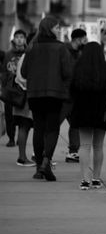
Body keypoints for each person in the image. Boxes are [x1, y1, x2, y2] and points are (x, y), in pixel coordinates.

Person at [21, 16, 72, 181]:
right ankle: (46, 162)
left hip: (35, 94)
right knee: (52, 129)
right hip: (54, 93)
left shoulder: (31, 48)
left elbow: (23, 72)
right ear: (49, 29)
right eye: (57, 27)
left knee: (38, 128)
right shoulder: (61, 48)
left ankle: (38, 168)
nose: (59, 30)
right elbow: (67, 72)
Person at [71, 42, 106, 190]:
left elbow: (72, 91)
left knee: (85, 146)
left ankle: (84, 180)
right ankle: (96, 178)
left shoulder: (78, 69)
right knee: (98, 146)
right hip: (101, 112)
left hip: (83, 112)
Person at [61, 28, 88, 163]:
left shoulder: (81, 53)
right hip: (64, 95)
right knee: (54, 124)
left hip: (75, 95)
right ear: (77, 39)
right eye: (84, 39)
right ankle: (40, 151)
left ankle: (73, 152)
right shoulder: (64, 51)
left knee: (75, 125)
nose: (86, 41)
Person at [1, 29, 27, 147]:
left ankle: (20, 138)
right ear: (13, 39)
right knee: (9, 115)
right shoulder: (8, 54)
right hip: (10, 89)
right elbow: (3, 71)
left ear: (25, 40)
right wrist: (5, 85)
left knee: (23, 116)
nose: (19, 39)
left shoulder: (28, 54)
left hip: (24, 89)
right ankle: (11, 138)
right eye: (17, 37)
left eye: (22, 37)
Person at [13, 32, 36, 167]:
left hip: (24, 94)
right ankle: (22, 157)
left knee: (24, 126)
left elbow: (19, 77)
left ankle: (23, 157)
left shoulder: (25, 55)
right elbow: (21, 77)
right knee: (25, 126)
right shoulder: (29, 56)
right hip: (27, 96)